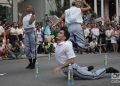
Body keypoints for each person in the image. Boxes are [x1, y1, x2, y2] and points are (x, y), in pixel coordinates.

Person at [52, 26, 119, 80]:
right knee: (75, 77)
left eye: (60, 33)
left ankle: (107, 69)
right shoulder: (57, 44)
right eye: (59, 32)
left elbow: (72, 60)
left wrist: (59, 67)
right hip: (66, 70)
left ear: (64, 37)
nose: (58, 33)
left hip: (72, 68)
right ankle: (86, 69)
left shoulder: (66, 45)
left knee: (93, 76)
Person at [18, 5, 36, 69]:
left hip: (31, 32)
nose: (27, 8)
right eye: (27, 7)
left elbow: (30, 22)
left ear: (31, 9)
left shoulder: (33, 15)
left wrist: (33, 12)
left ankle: (33, 64)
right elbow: (19, 25)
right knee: (27, 50)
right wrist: (20, 16)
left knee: (33, 49)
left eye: (29, 7)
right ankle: (30, 62)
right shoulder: (24, 17)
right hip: (26, 33)